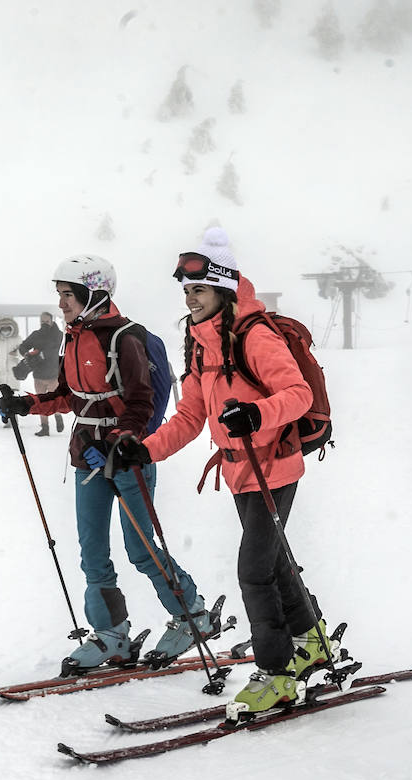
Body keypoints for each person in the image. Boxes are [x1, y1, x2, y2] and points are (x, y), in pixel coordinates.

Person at [115, 227, 339, 719]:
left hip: (273, 468)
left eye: (199, 289)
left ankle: (277, 673)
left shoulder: (254, 336)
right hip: (239, 473)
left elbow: (297, 394)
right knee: (273, 562)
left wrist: (256, 415)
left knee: (254, 572)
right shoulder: (200, 345)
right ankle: (313, 641)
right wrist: (144, 451)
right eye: (187, 291)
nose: (190, 299)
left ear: (223, 290)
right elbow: (191, 418)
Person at [0, 255, 213, 671]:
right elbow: (69, 396)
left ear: (91, 293)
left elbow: (141, 399)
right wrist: (26, 403)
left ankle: (193, 618)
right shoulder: (73, 337)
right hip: (87, 458)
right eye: (59, 294)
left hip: (126, 457)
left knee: (142, 549)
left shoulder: (124, 337)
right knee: (92, 553)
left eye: (67, 295)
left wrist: (121, 440)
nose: (61, 303)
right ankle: (112, 635)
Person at [16, 311, 66, 436]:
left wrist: (43, 354)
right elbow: (23, 347)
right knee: (41, 401)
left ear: (52, 321)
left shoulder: (58, 335)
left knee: (54, 400)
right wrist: (27, 355)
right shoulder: (36, 335)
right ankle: (45, 427)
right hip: (38, 375)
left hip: (54, 374)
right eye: (42, 322)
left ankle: (58, 416)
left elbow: (61, 350)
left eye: (47, 321)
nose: (44, 324)